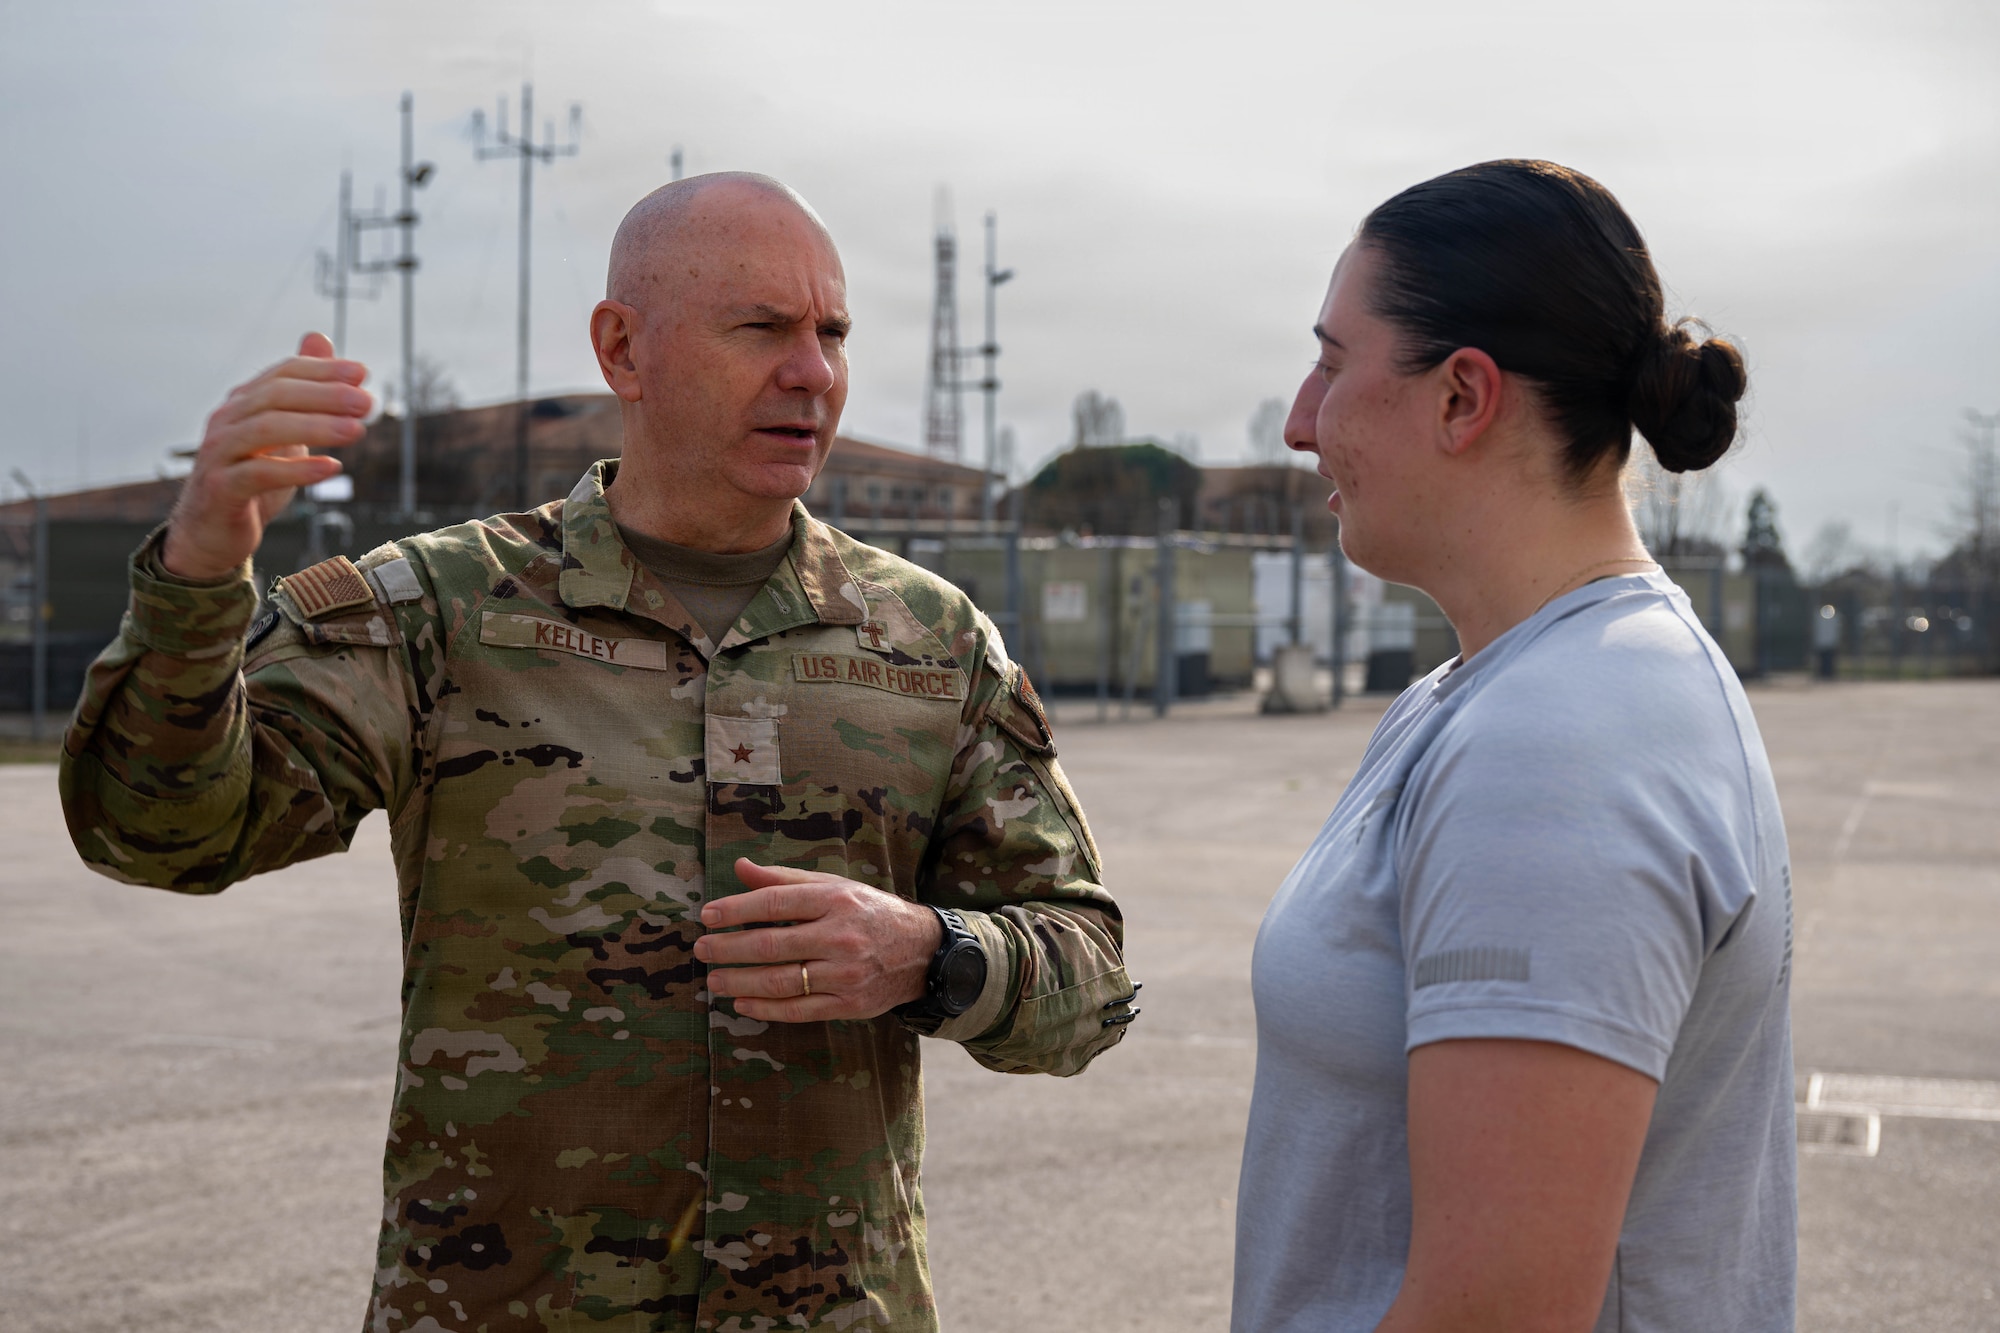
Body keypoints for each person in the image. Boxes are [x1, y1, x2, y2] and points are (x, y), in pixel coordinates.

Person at [61, 173, 1138, 1333]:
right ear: (623, 350)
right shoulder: (439, 612)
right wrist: (197, 573)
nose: (812, 373)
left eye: (831, 333)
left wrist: (928, 953)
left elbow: (1088, 981)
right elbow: (160, 832)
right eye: (760, 328)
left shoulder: (926, 642)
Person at [1233, 160, 1793, 1332]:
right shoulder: (1493, 696)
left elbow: (1494, 1311)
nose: (1298, 421)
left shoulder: (1564, 740)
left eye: (1332, 363)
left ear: (1460, 397)